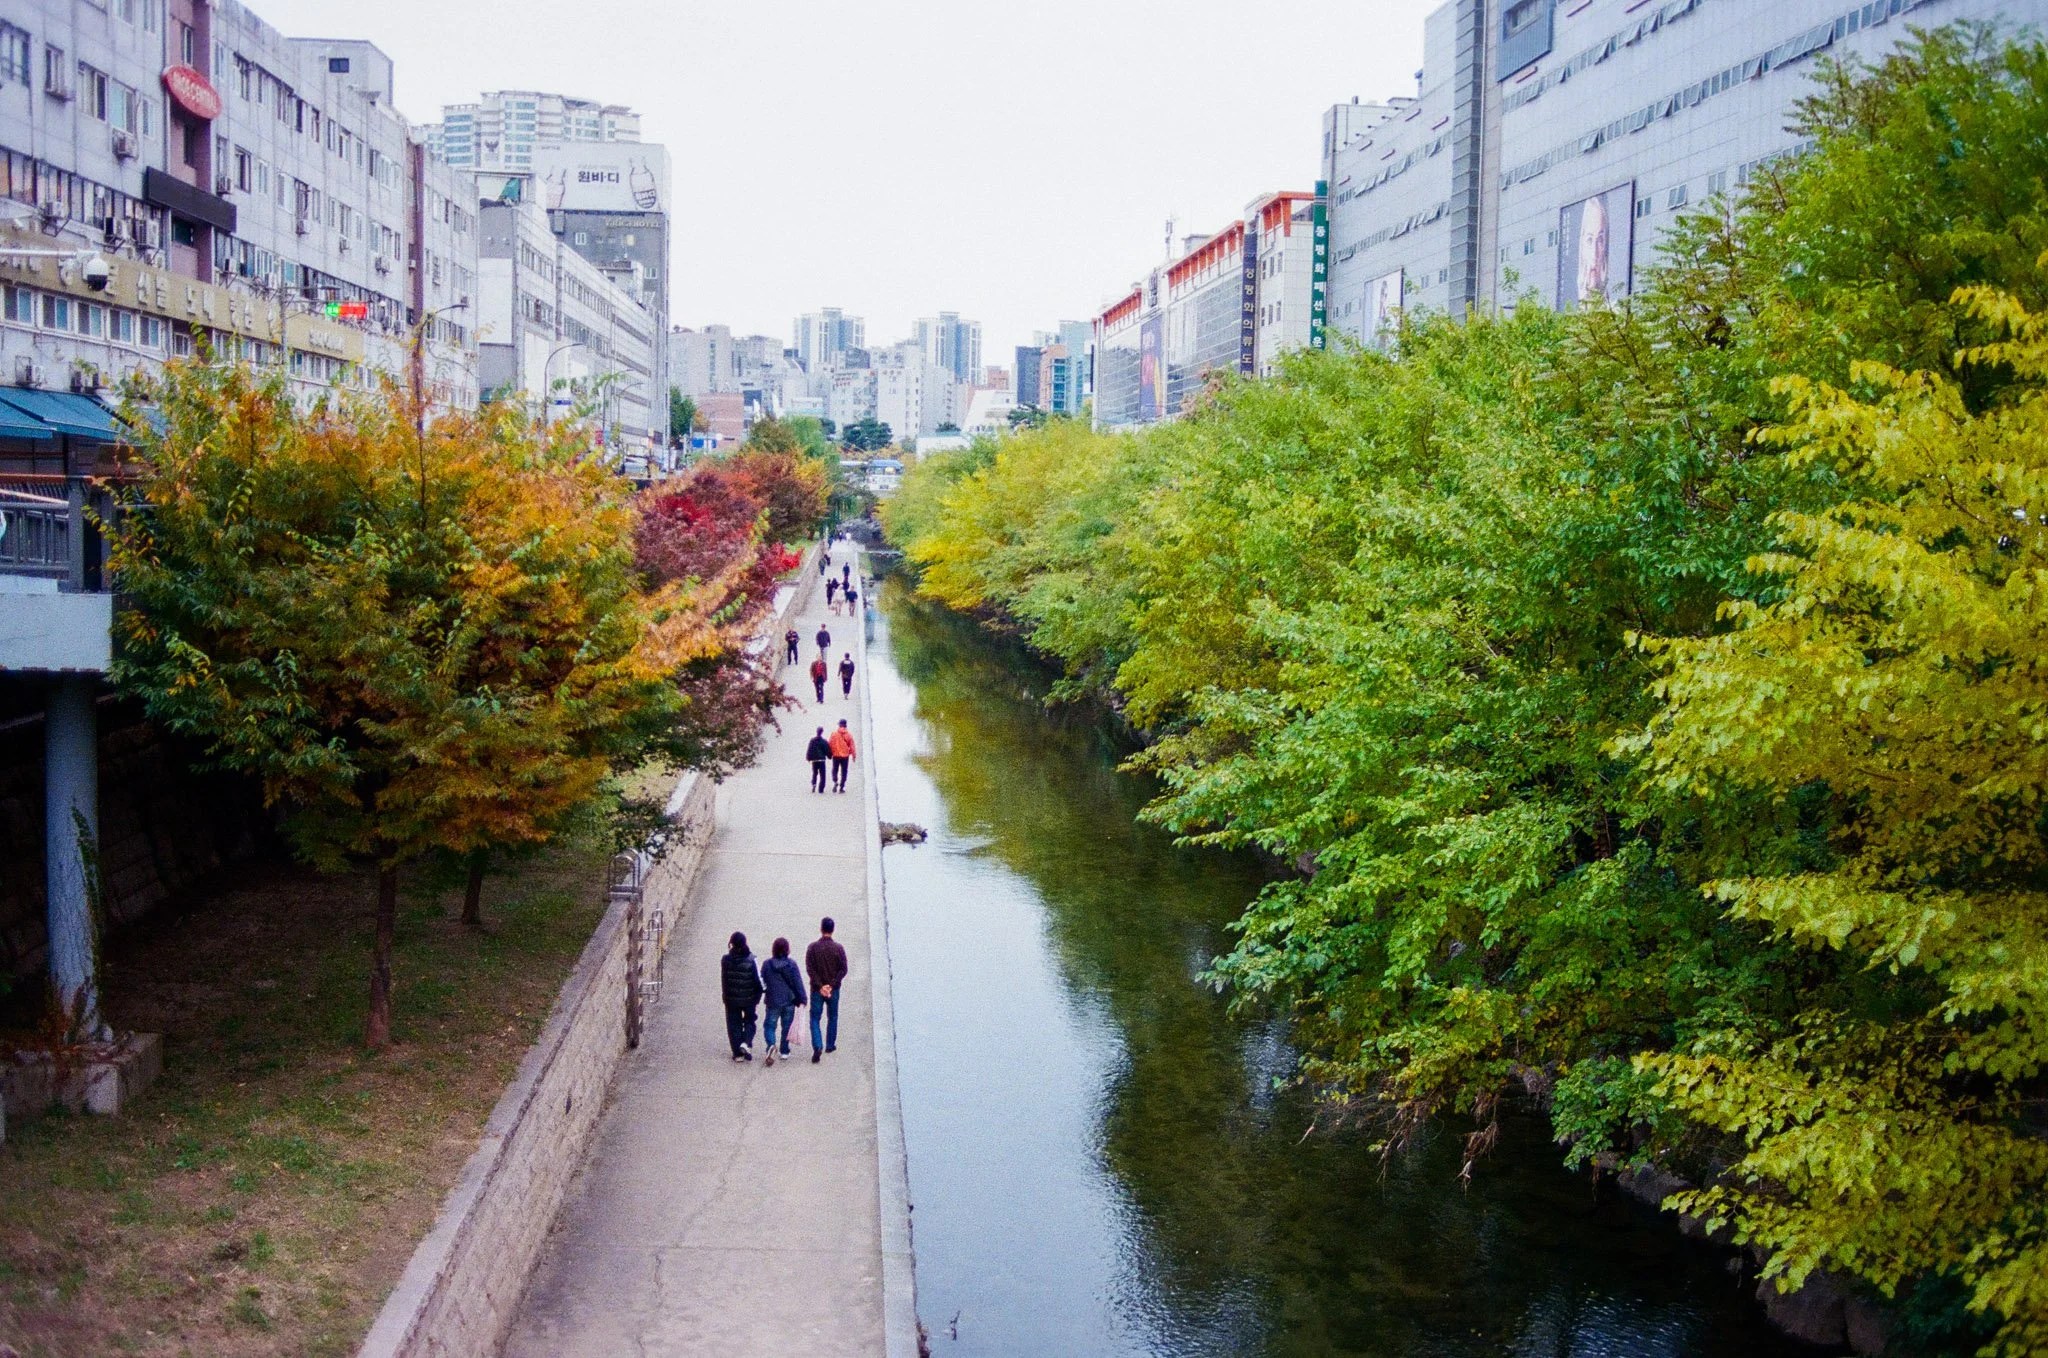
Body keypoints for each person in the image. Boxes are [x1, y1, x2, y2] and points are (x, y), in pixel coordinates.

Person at [805, 917, 849, 1061]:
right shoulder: (839, 948)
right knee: (833, 1016)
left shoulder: (812, 948)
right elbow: (843, 969)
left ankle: (818, 1045)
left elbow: (810, 969)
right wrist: (832, 984)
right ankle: (830, 1044)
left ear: (821, 929)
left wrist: (820, 985)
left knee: (815, 1018)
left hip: (817, 990)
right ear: (833, 930)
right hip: (833, 990)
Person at [760, 938, 807, 1065]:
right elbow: (798, 982)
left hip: (772, 1000)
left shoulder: (767, 964)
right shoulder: (791, 964)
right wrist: (803, 998)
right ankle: (784, 1051)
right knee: (786, 1026)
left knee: (769, 1026)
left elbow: (762, 981)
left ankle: (771, 1044)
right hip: (789, 1000)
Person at [720, 932, 762, 1061]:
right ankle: (746, 1041)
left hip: (731, 999)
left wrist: (725, 996)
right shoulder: (751, 959)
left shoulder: (725, 960)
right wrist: (758, 996)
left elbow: (724, 979)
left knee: (733, 1024)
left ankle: (737, 1053)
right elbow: (758, 980)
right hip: (749, 998)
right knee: (750, 1020)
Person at [828, 718, 856, 793]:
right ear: (845, 725)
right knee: (844, 771)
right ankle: (842, 787)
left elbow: (830, 744)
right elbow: (852, 746)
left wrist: (829, 754)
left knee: (834, 770)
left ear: (839, 725)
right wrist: (854, 755)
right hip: (845, 757)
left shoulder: (834, 734)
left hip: (836, 756)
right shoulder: (849, 735)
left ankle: (835, 781)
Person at [805, 726, 831, 792]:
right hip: (822, 760)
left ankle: (814, 783)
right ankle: (821, 789)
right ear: (822, 732)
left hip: (814, 760)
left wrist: (808, 757)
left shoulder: (812, 741)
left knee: (815, 773)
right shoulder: (824, 741)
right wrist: (829, 756)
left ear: (816, 732)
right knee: (822, 775)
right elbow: (827, 750)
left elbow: (809, 749)